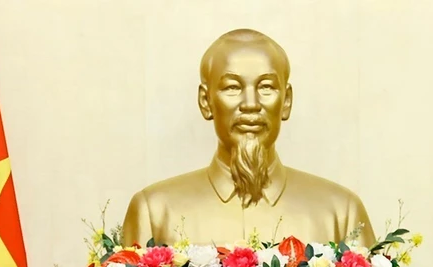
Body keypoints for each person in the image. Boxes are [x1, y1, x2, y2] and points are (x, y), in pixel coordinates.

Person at [121, 28, 377, 248]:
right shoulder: (154, 212)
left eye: (266, 87)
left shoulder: (341, 213)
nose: (251, 104)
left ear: (286, 101)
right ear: (205, 101)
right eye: (232, 87)